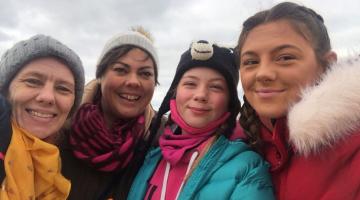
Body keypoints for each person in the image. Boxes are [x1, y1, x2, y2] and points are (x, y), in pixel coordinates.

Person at [236, 2, 360, 199]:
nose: (263, 73)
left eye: (285, 58)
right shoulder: (233, 146)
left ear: (328, 64)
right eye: (251, 62)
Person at [128, 40, 274, 200]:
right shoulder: (151, 158)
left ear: (229, 102)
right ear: (174, 93)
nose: (201, 95)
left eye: (215, 87)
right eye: (190, 83)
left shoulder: (248, 168)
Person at [60, 28, 161, 199]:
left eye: (145, 73)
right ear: (101, 75)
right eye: (121, 70)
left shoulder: (162, 142)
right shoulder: (58, 128)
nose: (133, 82)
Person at [0, 34, 85, 199]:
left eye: (63, 88)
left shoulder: (61, 159)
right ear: (5, 89)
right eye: (33, 81)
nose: (47, 97)